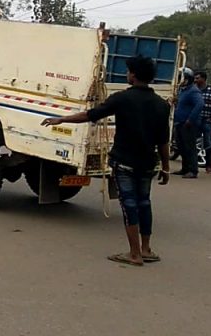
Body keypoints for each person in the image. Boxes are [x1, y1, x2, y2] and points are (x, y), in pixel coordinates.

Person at [42, 55, 170, 267]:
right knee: (144, 203)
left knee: (129, 205)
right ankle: (146, 249)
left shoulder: (122, 99)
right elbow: (163, 140)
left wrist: (62, 119)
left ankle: (134, 254)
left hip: (125, 162)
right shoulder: (161, 105)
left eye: (129, 71)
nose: (127, 74)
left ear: (134, 75)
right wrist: (165, 168)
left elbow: (91, 115)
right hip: (148, 163)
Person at [172, 71, 204, 178]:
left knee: (190, 147)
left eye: (182, 79)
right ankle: (185, 168)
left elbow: (199, 105)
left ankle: (193, 170)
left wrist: (190, 119)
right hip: (180, 122)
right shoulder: (183, 90)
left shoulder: (193, 91)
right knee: (181, 146)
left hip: (188, 124)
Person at [195, 71, 211, 174]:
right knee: (193, 143)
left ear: (204, 79)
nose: (195, 80)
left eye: (197, 78)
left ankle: (209, 165)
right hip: (195, 120)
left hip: (206, 120)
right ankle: (192, 165)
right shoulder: (194, 90)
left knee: (208, 144)